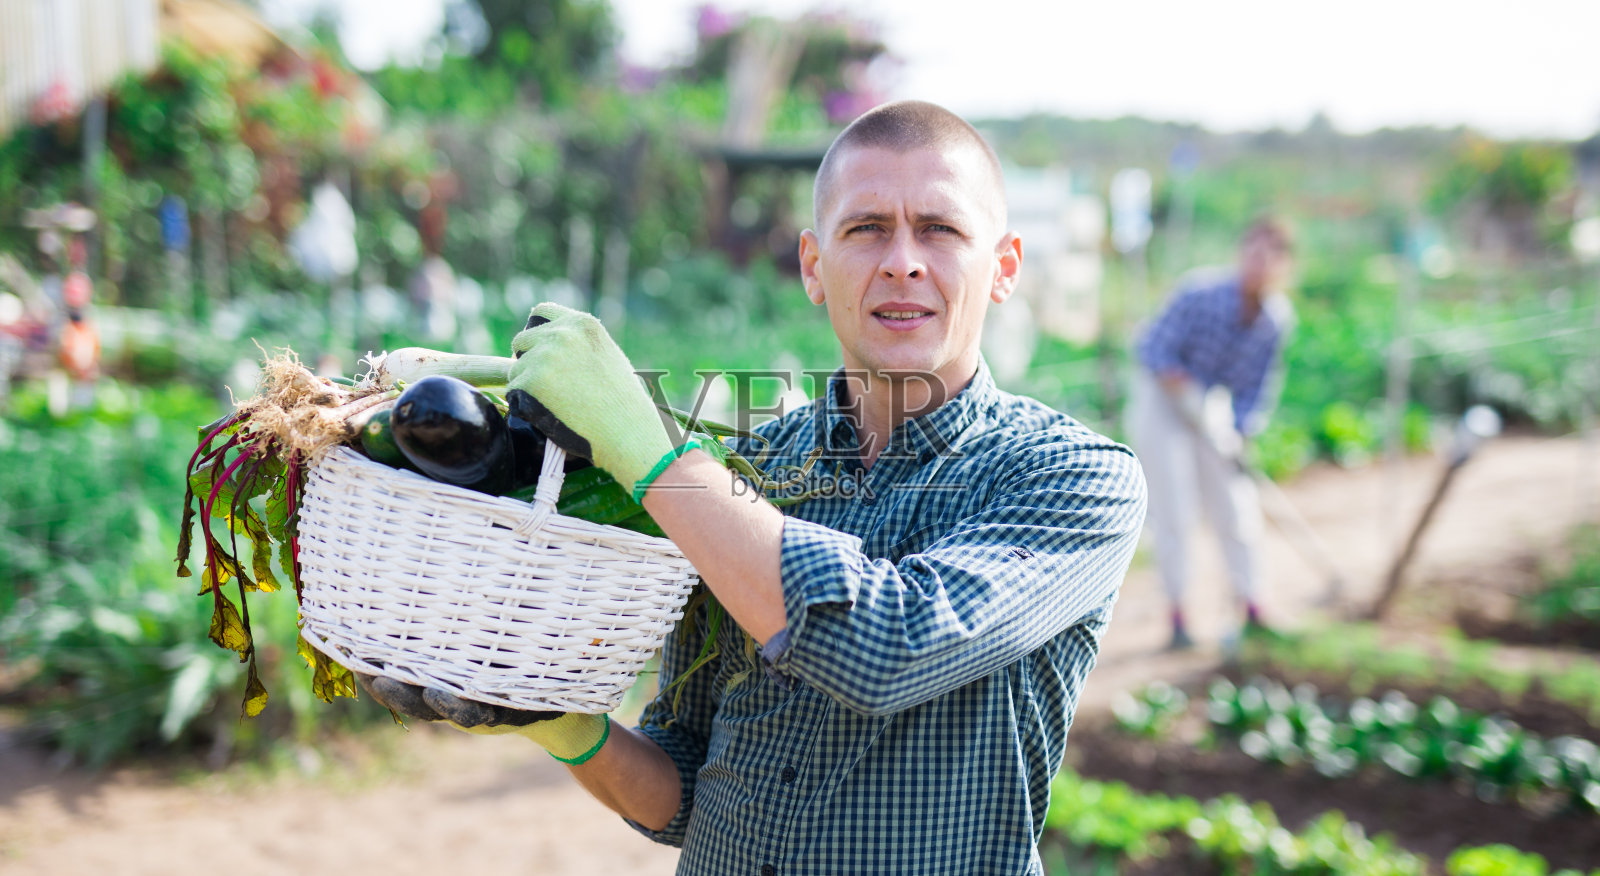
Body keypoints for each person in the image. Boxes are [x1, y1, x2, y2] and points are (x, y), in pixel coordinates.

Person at [361, 100, 1147, 874]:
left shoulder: (1075, 478)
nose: (902, 260)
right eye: (866, 228)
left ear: (1003, 267)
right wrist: (566, 728)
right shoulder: (747, 470)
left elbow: (891, 646)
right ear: (813, 265)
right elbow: (683, 788)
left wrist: (653, 451)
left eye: (940, 229)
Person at [1126, 216, 1296, 651]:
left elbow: (1256, 387)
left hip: (1209, 406)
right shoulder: (1199, 293)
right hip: (1163, 402)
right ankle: (1179, 615)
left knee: (1236, 506)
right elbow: (1151, 347)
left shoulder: (1275, 320)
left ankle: (1252, 604)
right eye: (1254, 252)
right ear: (1241, 253)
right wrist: (1178, 382)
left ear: (1284, 265)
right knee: (1176, 511)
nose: (1259, 263)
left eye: (1270, 256)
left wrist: (1240, 431)